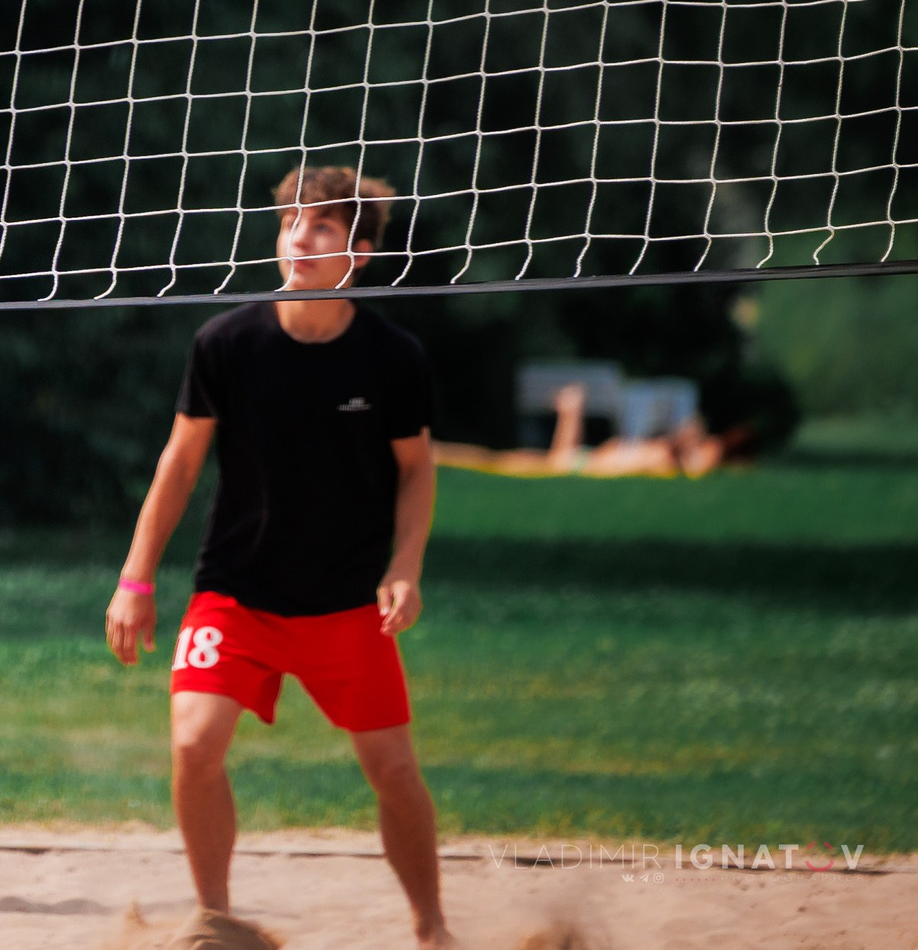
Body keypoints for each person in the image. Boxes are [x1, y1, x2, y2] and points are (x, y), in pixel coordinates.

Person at [104, 167, 452, 949]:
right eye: (292, 220)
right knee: (193, 744)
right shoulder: (226, 342)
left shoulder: (392, 355)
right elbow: (179, 463)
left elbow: (417, 468)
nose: (300, 236)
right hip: (237, 591)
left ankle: (432, 927)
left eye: (322, 225)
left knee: (394, 770)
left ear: (359, 252)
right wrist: (135, 578)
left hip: (346, 600)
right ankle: (216, 920)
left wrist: (405, 565)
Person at [434, 380, 729, 477]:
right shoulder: (661, 454)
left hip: (574, 464)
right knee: (494, 460)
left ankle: (435, 454)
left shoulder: (662, 459)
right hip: (577, 462)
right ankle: (435, 453)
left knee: (494, 461)